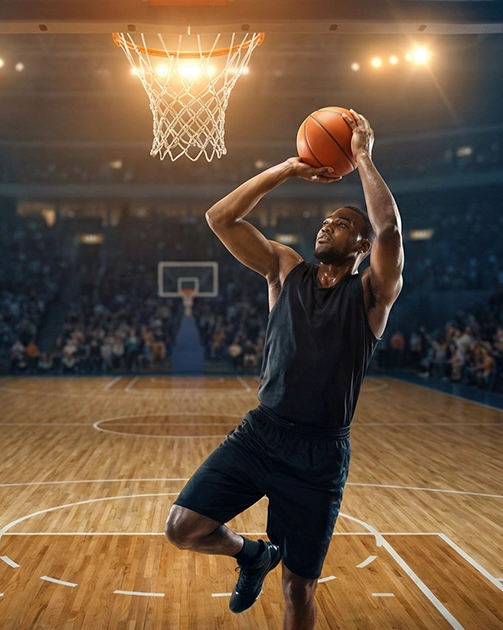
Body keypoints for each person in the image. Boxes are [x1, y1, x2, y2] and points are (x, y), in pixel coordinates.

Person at [164, 110, 402, 630]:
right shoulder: (285, 269)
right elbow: (220, 218)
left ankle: (271, 565)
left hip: (320, 452)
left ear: (360, 247)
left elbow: (388, 228)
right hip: (262, 434)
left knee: (299, 588)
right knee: (183, 528)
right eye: (325, 221)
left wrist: (361, 155)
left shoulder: (370, 296)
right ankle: (251, 555)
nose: (327, 225)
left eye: (341, 223)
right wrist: (290, 168)